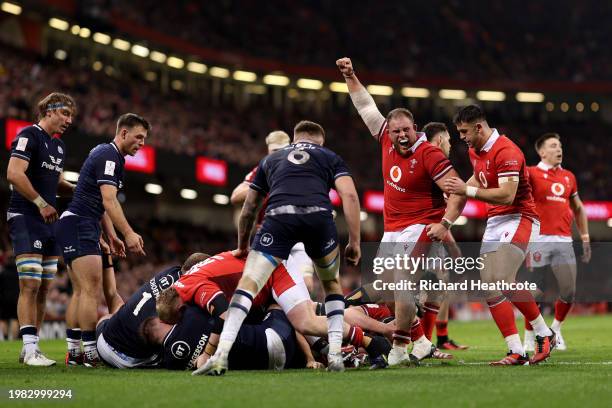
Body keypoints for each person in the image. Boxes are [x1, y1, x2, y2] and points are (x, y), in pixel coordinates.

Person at [197, 120, 364, 375]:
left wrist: (243, 246)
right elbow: (350, 196)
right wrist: (355, 241)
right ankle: (335, 356)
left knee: (248, 285)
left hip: (278, 219)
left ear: (294, 139)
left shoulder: (269, 161)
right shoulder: (330, 157)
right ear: (320, 142)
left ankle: (220, 356)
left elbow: (248, 208)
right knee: (331, 285)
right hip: (319, 218)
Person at [337, 57, 466, 366]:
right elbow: (365, 106)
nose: (402, 135)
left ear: (415, 128)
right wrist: (351, 76)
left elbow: (458, 191)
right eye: (396, 131)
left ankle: (398, 348)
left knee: (402, 280)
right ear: (390, 132)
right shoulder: (384, 139)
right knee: (384, 288)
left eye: (406, 130)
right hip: (393, 228)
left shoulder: (429, 154)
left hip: (421, 226)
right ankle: (420, 340)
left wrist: (445, 223)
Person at [444, 105, 556, 365]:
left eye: (464, 131)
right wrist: (458, 188)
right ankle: (516, 350)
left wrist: (466, 191)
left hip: (519, 216)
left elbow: (506, 195)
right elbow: (479, 177)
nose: (462, 137)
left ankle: (543, 333)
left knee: (503, 279)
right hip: (495, 220)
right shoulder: (476, 150)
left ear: (479, 127)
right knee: (489, 285)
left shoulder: (507, 151)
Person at [157, 250, 389, 372]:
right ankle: (374, 338)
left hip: (275, 273)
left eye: (180, 317)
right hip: (266, 272)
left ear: (181, 306)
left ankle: (374, 339)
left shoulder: (193, 287)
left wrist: (208, 353)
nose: (184, 320)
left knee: (307, 322)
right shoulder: (189, 277)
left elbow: (225, 315)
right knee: (313, 316)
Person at [55, 113, 148, 367]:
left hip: (77, 222)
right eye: (139, 137)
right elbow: (108, 200)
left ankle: (74, 352)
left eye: (144, 139)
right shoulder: (109, 155)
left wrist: (111, 235)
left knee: (80, 292)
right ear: (124, 133)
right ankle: (89, 352)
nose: (141, 143)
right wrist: (128, 233)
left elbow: (101, 202)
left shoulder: (110, 155)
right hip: (80, 223)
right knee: (89, 291)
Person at [6, 92, 77, 366]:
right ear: (48, 110)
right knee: (30, 283)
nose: (68, 120)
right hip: (26, 215)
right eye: (64, 114)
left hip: (49, 220)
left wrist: (80, 190)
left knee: (45, 287)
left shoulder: (58, 147)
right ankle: (29, 347)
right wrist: (39, 202)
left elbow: (56, 182)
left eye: (71, 116)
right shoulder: (28, 135)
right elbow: (14, 173)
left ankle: (31, 349)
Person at [523, 133, 591, 351]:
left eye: (560, 145)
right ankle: (529, 337)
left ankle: (556, 330)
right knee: (536, 292)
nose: (558, 149)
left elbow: (579, 208)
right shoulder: (531, 173)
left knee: (569, 290)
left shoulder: (569, 177)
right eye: (553, 146)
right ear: (542, 152)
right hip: (538, 239)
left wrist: (585, 236)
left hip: (563, 240)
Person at [231, 130, 316, 293]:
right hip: (268, 235)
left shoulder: (303, 167)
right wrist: (265, 183)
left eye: (282, 150)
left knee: (307, 285)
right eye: (274, 152)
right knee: (261, 285)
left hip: (297, 235)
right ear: (268, 151)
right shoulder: (262, 170)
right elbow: (235, 196)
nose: (279, 155)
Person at [95, 253, 209, 368]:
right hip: (127, 359)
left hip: (103, 341)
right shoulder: (188, 292)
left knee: (110, 315)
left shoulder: (171, 271)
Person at [142, 304, 307, 371]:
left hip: (268, 365)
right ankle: (323, 343)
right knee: (277, 302)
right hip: (274, 340)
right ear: (162, 321)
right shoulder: (191, 316)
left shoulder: (171, 363)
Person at [421, 122, 468, 351]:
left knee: (438, 287)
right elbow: (435, 216)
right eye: (449, 140)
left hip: (423, 236)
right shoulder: (434, 164)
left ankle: (436, 339)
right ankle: (424, 342)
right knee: (429, 289)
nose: (451, 145)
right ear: (439, 140)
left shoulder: (421, 158)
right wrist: (454, 247)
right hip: (426, 237)